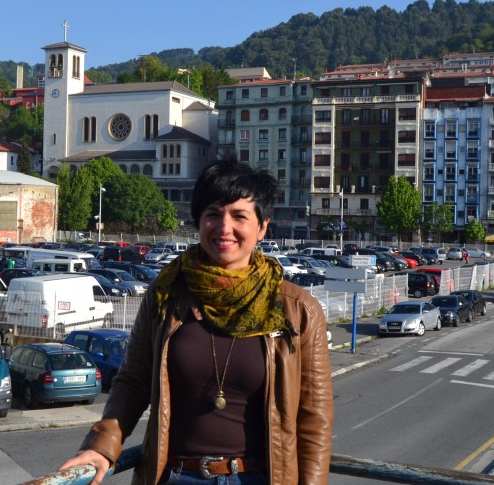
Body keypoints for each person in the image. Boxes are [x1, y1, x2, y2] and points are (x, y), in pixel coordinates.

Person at [59, 158, 333, 485]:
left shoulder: (299, 310)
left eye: (239, 216)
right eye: (213, 214)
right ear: (198, 221)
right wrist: (101, 446)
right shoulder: (166, 295)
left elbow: (314, 419)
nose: (224, 227)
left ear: (262, 227)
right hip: (176, 475)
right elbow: (132, 382)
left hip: (258, 477)